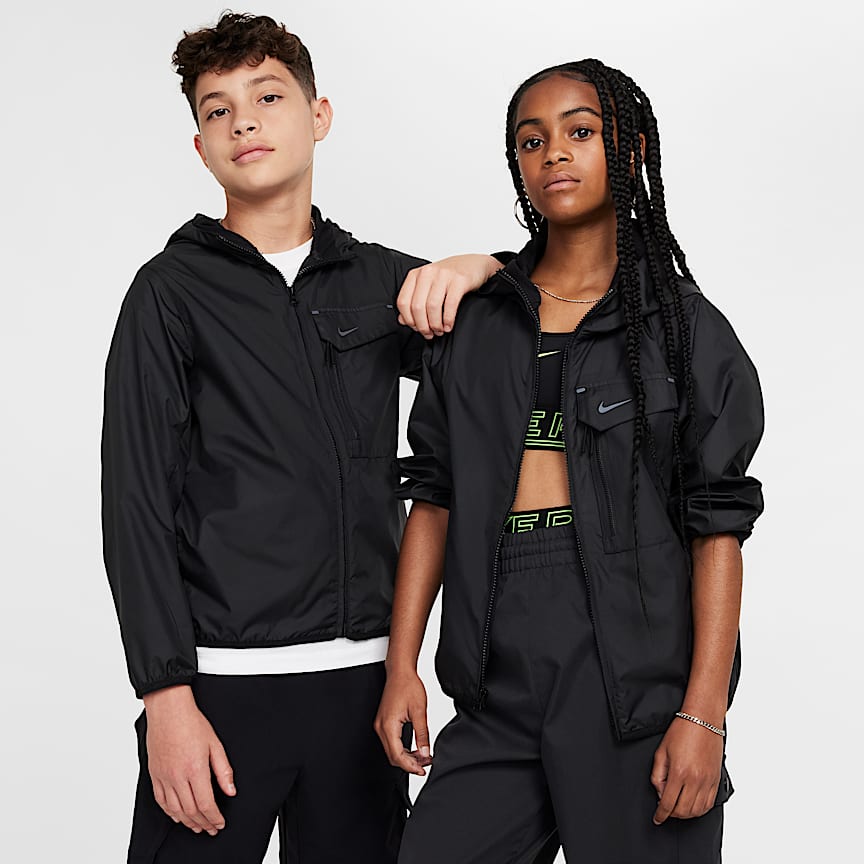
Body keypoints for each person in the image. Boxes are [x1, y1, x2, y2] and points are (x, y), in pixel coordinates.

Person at [101, 12, 501, 864]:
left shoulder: (378, 280)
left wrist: (480, 267)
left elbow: (520, 325)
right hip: (221, 689)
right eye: (217, 110)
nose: (243, 122)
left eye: (268, 97)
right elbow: (135, 505)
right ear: (201, 147)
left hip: (365, 690)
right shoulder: (168, 294)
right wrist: (166, 698)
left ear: (319, 115)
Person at [376, 59, 764, 863]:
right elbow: (434, 500)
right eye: (532, 140)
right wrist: (400, 666)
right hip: (495, 664)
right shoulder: (477, 323)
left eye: (580, 131)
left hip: (634, 677)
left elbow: (716, 528)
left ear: (630, 149)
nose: (554, 152)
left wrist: (704, 713)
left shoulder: (685, 329)